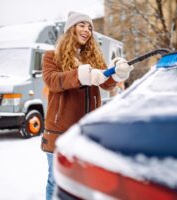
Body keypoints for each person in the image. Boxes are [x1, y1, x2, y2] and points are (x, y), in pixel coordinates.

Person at [41, 11, 133, 199]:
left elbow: (107, 83)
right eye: (82, 25)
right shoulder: (52, 57)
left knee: (82, 180)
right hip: (59, 132)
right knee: (55, 179)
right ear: (71, 29)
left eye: (90, 27)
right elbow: (53, 81)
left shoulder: (92, 59)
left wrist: (117, 73)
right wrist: (82, 75)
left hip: (86, 132)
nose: (87, 30)